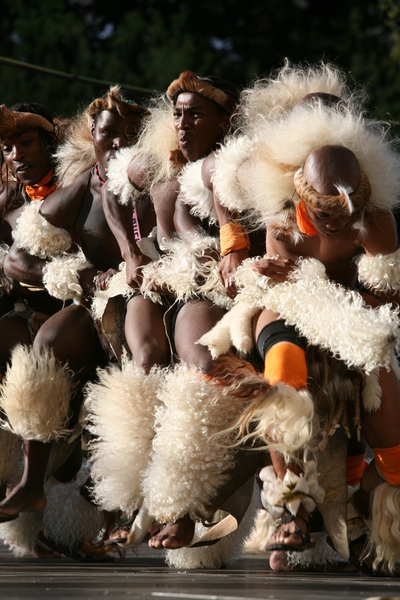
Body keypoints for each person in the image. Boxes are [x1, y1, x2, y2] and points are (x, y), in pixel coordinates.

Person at [200, 86, 400, 575]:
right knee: (282, 366)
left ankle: (361, 507)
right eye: (321, 214)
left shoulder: (375, 221)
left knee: (394, 447)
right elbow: (214, 173)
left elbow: (388, 302)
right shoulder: (278, 205)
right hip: (285, 310)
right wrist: (232, 244)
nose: (331, 226)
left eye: (341, 215)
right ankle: (291, 504)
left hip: (354, 320)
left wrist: (317, 282)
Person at [86, 71, 265, 561]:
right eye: (178, 114)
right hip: (153, 282)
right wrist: (129, 253)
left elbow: (226, 196)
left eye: (196, 115)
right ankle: (134, 499)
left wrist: (230, 246)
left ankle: (191, 502)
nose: (183, 123)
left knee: (200, 365)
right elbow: (110, 184)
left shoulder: (228, 166)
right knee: (144, 361)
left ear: (224, 121)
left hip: (201, 288)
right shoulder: (157, 164)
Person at [0, 88, 153, 558]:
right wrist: (78, 275)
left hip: (154, 299)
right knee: (48, 342)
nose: (117, 142)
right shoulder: (82, 185)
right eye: (107, 133)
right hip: (93, 304)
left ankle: (135, 500)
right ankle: (31, 483)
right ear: (94, 136)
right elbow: (19, 258)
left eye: (129, 133)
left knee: (143, 360)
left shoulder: (162, 179)